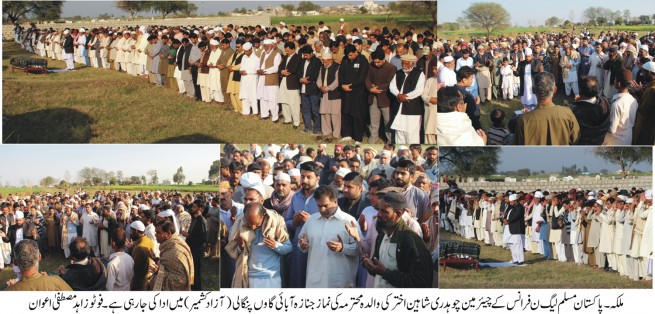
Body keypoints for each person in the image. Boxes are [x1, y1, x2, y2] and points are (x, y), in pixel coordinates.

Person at [356, 191, 432, 288]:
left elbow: (421, 282)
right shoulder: (382, 235)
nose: (378, 214)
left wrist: (385, 273)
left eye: (384, 211)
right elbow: (379, 269)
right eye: (379, 209)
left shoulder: (410, 240)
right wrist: (370, 265)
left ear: (398, 214)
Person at [298, 185, 360, 288]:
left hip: (340, 282)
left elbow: (359, 249)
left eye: (326, 205)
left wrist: (343, 248)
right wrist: (303, 246)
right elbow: (301, 242)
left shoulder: (349, 221)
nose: (322, 209)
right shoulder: (311, 220)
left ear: (335, 201)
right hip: (314, 280)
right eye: (319, 206)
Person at [227, 202, 291, 288]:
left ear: (263, 215)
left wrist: (275, 245)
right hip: (248, 277)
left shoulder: (276, 224)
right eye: (249, 223)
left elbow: (288, 248)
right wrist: (240, 247)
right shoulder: (240, 225)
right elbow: (234, 253)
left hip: (271, 278)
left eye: (256, 224)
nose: (252, 227)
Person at [515, 72, 580, 145]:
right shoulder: (567, 114)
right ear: (555, 89)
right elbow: (575, 139)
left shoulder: (524, 120)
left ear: (533, 90)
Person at [5, 240, 72, 291]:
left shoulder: (8, 292)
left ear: (14, 262)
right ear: (39, 257)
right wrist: (49, 280)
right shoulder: (56, 282)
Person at [390, 54, 426, 144]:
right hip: (399, 105)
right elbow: (392, 86)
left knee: (411, 133)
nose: (403, 65)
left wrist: (406, 97)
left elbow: (419, 90)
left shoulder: (419, 73)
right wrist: (398, 95)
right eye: (402, 63)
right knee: (399, 131)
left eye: (406, 63)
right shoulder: (399, 73)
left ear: (412, 64)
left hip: (412, 108)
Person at [150, 221, 194, 291]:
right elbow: (167, 266)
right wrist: (156, 259)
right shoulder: (170, 245)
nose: (155, 235)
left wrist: (159, 271)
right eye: (155, 232)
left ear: (168, 234)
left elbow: (181, 280)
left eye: (158, 232)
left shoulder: (176, 252)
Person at [339, 44, 370, 143]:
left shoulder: (363, 60)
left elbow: (362, 78)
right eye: (348, 55)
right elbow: (341, 73)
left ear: (356, 52)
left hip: (358, 92)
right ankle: (347, 134)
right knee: (346, 112)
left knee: (357, 115)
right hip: (345, 91)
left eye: (351, 55)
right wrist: (343, 85)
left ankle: (358, 137)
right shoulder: (345, 59)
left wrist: (351, 86)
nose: (349, 57)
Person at [366, 49, 397, 144]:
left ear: (383, 59)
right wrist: (370, 88)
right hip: (373, 97)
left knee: (388, 120)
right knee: (373, 120)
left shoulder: (391, 68)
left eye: (378, 62)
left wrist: (376, 88)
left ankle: (390, 139)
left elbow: (390, 83)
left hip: (385, 98)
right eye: (374, 62)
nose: (376, 64)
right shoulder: (370, 66)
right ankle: (373, 138)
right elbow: (367, 79)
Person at [603, 68, 638, 145]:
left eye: (615, 80)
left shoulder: (617, 104)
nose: (614, 81)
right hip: (628, 138)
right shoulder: (633, 100)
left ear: (618, 84)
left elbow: (612, 129)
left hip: (615, 141)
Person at [572, 76, 611, 145]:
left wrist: (574, 105)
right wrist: (580, 102)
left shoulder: (577, 111)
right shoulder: (605, 102)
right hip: (600, 141)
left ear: (581, 91)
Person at [299, 45, 323, 135]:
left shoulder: (317, 62)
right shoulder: (303, 61)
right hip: (303, 89)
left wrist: (308, 80)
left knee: (315, 110)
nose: (305, 57)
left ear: (311, 54)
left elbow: (316, 74)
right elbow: (299, 72)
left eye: (306, 55)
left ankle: (317, 128)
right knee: (305, 109)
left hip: (313, 89)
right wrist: (301, 79)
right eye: (304, 55)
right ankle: (308, 127)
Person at [257, 39, 282, 122]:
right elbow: (259, 64)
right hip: (262, 79)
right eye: (264, 46)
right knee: (263, 97)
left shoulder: (276, 54)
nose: (265, 47)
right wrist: (258, 70)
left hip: (271, 79)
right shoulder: (263, 53)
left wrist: (264, 71)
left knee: (272, 98)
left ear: (271, 46)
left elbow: (276, 68)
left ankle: (275, 117)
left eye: (267, 46)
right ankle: (264, 115)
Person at [278, 42, 302, 128]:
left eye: (288, 50)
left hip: (292, 82)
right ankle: (287, 119)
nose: (286, 52)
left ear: (293, 49)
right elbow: (280, 67)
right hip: (284, 81)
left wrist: (286, 71)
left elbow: (295, 69)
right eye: (286, 50)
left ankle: (296, 122)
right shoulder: (285, 57)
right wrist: (281, 71)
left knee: (293, 103)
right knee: (284, 101)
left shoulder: (298, 58)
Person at [632, 62, 655, 145]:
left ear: (649, 72)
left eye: (643, 72)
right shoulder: (650, 87)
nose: (642, 75)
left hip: (647, 126)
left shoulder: (651, 90)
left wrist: (637, 94)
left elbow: (643, 109)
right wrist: (641, 91)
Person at [239, 42, 261, 117]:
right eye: (244, 51)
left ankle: (255, 112)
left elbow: (256, 70)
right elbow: (241, 67)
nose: (245, 52)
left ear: (251, 50)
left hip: (252, 79)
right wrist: (241, 71)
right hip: (244, 79)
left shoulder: (256, 58)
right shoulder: (243, 57)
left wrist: (247, 72)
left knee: (253, 95)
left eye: (246, 51)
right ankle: (246, 112)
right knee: (245, 95)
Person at [503, 194, 525, 265]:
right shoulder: (511, 207)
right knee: (511, 245)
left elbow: (516, 216)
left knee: (517, 245)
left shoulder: (520, 207)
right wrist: (504, 220)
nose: (510, 203)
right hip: (510, 229)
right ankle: (515, 259)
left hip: (516, 229)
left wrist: (508, 221)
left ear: (515, 201)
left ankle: (520, 260)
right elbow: (507, 215)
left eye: (511, 202)